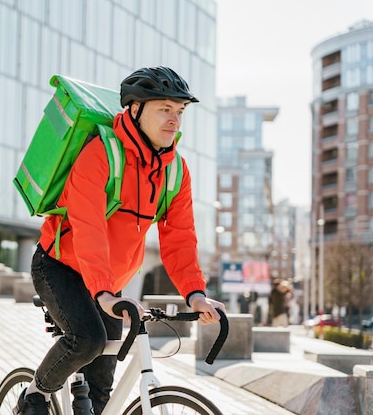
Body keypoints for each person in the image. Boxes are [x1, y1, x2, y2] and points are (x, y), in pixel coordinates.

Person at [15, 66, 226, 415]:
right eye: (164, 109)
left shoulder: (176, 170)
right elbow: (89, 227)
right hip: (60, 266)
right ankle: (35, 395)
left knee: (101, 395)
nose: (174, 120)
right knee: (89, 340)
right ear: (135, 110)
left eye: (180, 111)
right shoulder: (100, 154)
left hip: (108, 281)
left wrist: (196, 294)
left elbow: (180, 238)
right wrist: (105, 294)